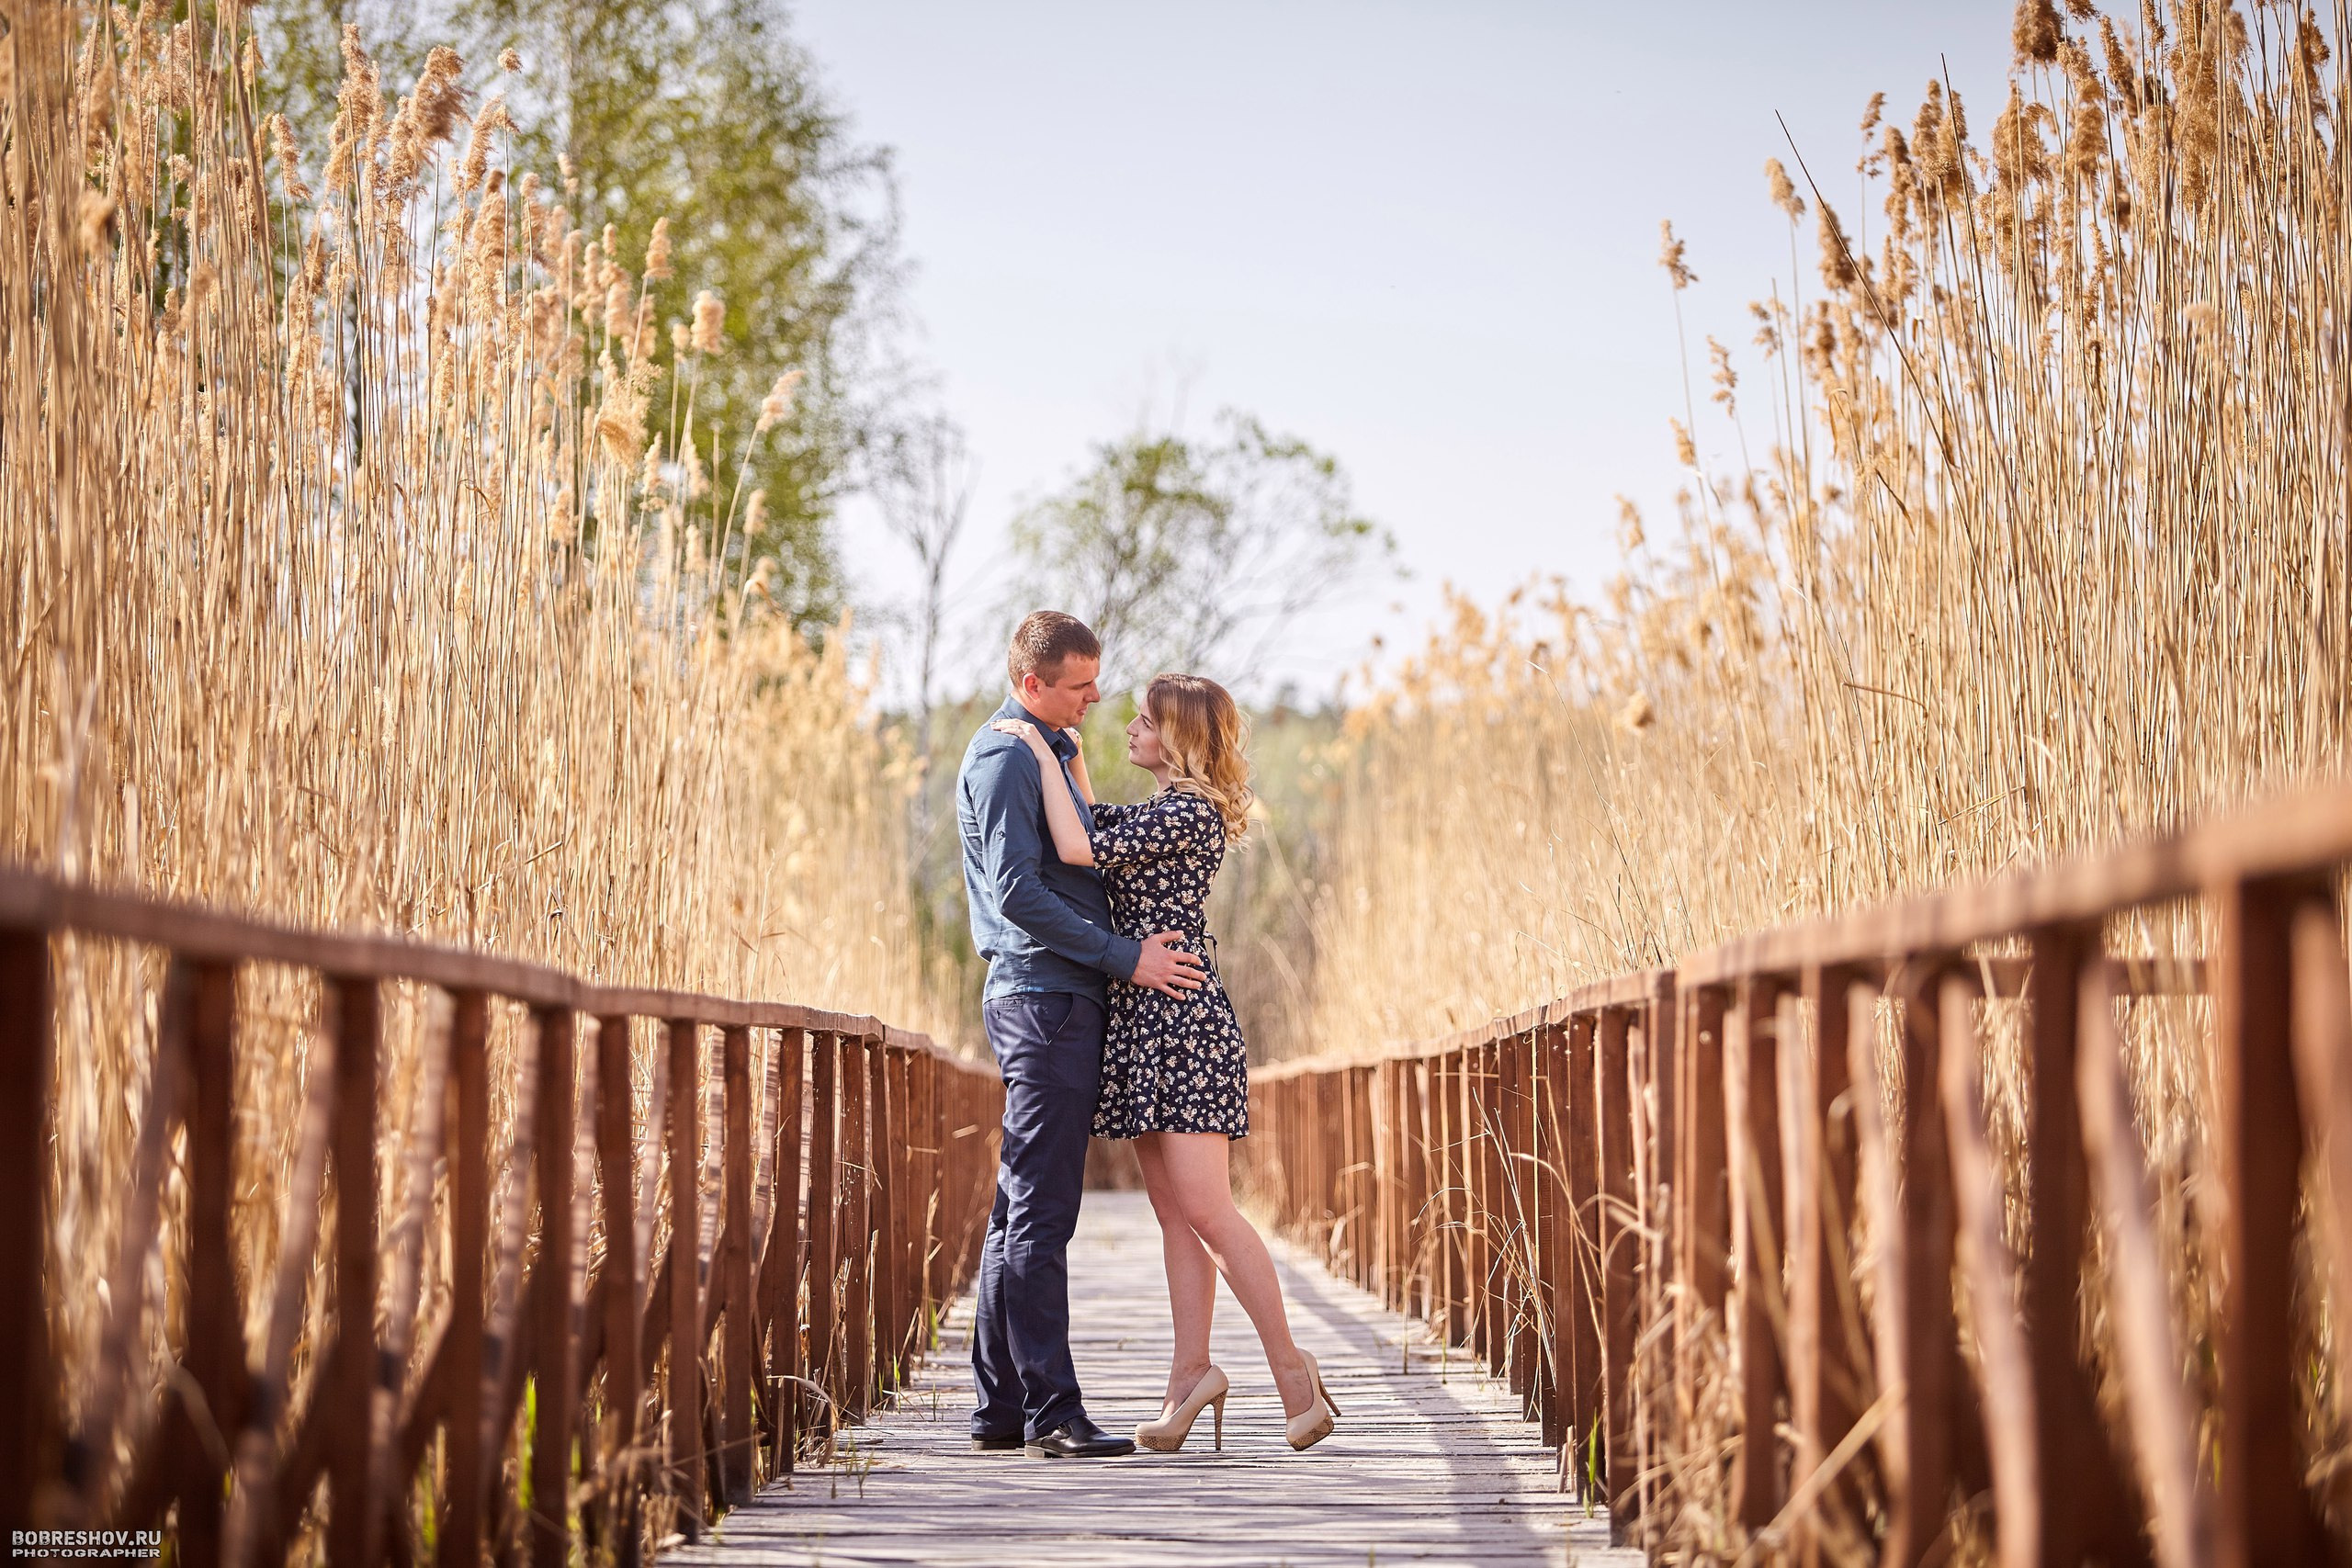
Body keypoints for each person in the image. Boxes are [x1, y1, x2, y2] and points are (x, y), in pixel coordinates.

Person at [990, 671, 1340, 1454]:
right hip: (1144, 1022)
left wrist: (1035, 743)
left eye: (1145, 721)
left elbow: (1076, 844)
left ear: (1178, 737)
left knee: (1209, 1210)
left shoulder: (1189, 812)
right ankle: (1189, 1377)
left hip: (1180, 1024)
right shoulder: (1161, 812)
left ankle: (1292, 1372)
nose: (1130, 728)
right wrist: (1069, 759)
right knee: (1175, 1215)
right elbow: (1089, 822)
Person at [957, 612, 1207, 1459]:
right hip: (1043, 999)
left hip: (1065, 997)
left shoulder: (1053, 748)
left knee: (1017, 1209)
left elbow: (1085, 851)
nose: (1097, 695)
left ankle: (1000, 1409)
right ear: (1032, 683)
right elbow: (1018, 894)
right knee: (1040, 1212)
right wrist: (1122, 957)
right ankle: (1051, 1411)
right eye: (1078, 684)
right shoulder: (1003, 755)